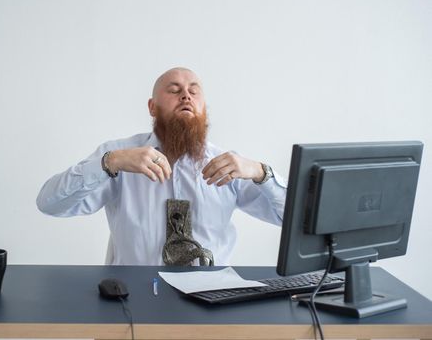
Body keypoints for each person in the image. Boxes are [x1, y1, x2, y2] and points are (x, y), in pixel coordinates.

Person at [36, 67, 287, 265]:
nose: (185, 95)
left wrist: (261, 173)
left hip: (211, 303)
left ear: (203, 109)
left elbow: (293, 220)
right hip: (133, 304)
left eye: (193, 91)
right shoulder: (120, 157)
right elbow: (49, 204)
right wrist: (109, 162)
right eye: (174, 90)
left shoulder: (229, 165)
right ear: (152, 107)